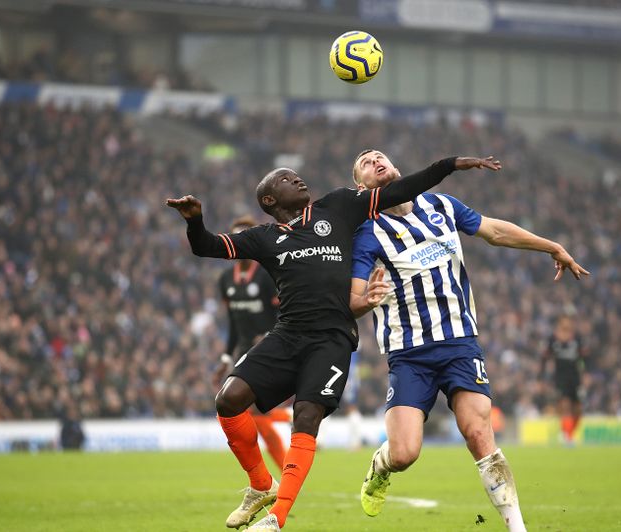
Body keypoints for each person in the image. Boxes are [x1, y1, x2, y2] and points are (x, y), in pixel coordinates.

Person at [166, 154, 500, 531]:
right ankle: (261, 486)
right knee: (228, 400)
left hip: (332, 340)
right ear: (270, 201)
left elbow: (403, 188)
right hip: (287, 334)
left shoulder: (338, 207)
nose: (299, 180)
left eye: (297, 175)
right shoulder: (264, 237)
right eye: (287, 179)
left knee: (305, 417)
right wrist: (195, 221)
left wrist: (449, 164)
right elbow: (207, 246)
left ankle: (276, 519)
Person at [348, 149, 589, 532]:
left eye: (380, 155)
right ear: (360, 186)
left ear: (395, 166)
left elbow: (494, 230)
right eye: (365, 162)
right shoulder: (366, 232)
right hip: (409, 354)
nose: (375, 159)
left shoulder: (441, 205)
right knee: (405, 453)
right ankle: (382, 464)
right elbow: (353, 300)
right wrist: (365, 301)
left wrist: (551, 246)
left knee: (478, 433)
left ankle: (516, 527)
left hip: (460, 343)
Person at [214, 215, 289, 469]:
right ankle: (286, 421)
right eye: (237, 237)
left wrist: (270, 334)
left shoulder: (268, 275)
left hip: (270, 348)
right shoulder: (225, 280)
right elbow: (233, 323)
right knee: (250, 413)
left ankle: (275, 476)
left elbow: (284, 312)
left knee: (252, 412)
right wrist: (225, 358)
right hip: (244, 351)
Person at [541, 316, 588, 445]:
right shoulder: (553, 339)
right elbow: (545, 357)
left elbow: (585, 357)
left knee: (578, 409)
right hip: (560, 377)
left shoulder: (577, 338)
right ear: (560, 324)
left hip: (575, 377)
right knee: (565, 405)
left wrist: (587, 374)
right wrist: (541, 377)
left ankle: (569, 434)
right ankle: (566, 435)